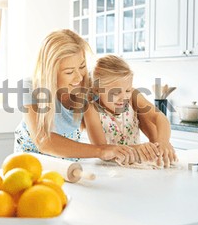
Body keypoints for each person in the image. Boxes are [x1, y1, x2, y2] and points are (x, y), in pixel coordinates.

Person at [14, 29, 137, 166]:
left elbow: (134, 98)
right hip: (30, 166)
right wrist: (100, 150)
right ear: (50, 72)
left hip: (68, 167)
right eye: (69, 72)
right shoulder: (29, 87)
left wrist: (159, 142)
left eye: (82, 66)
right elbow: (44, 141)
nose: (79, 77)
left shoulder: (88, 87)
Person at [92, 55, 177, 168]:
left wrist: (163, 142)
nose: (124, 97)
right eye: (116, 93)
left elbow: (160, 117)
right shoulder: (92, 110)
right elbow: (101, 149)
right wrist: (140, 148)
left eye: (127, 90)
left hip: (136, 164)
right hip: (108, 168)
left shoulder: (133, 96)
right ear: (98, 90)